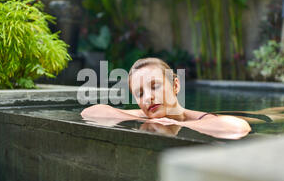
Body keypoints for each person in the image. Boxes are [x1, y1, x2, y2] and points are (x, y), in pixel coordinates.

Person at [81, 57, 252, 140]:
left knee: (271, 115)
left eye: (155, 86)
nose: (148, 97)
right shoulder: (141, 114)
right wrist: (138, 117)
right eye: (140, 94)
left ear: (175, 85)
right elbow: (90, 112)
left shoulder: (198, 117)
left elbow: (239, 127)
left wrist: (175, 123)